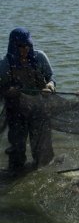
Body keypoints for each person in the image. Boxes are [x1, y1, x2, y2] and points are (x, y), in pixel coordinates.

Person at [0, 27, 56, 174]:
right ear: (13, 46)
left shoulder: (39, 58)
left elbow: (51, 78)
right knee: (17, 149)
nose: (25, 49)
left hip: (39, 108)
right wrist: (8, 91)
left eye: (28, 45)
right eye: (20, 46)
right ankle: (15, 173)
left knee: (42, 149)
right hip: (16, 112)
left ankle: (42, 173)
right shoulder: (5, 64)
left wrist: (50, 86)